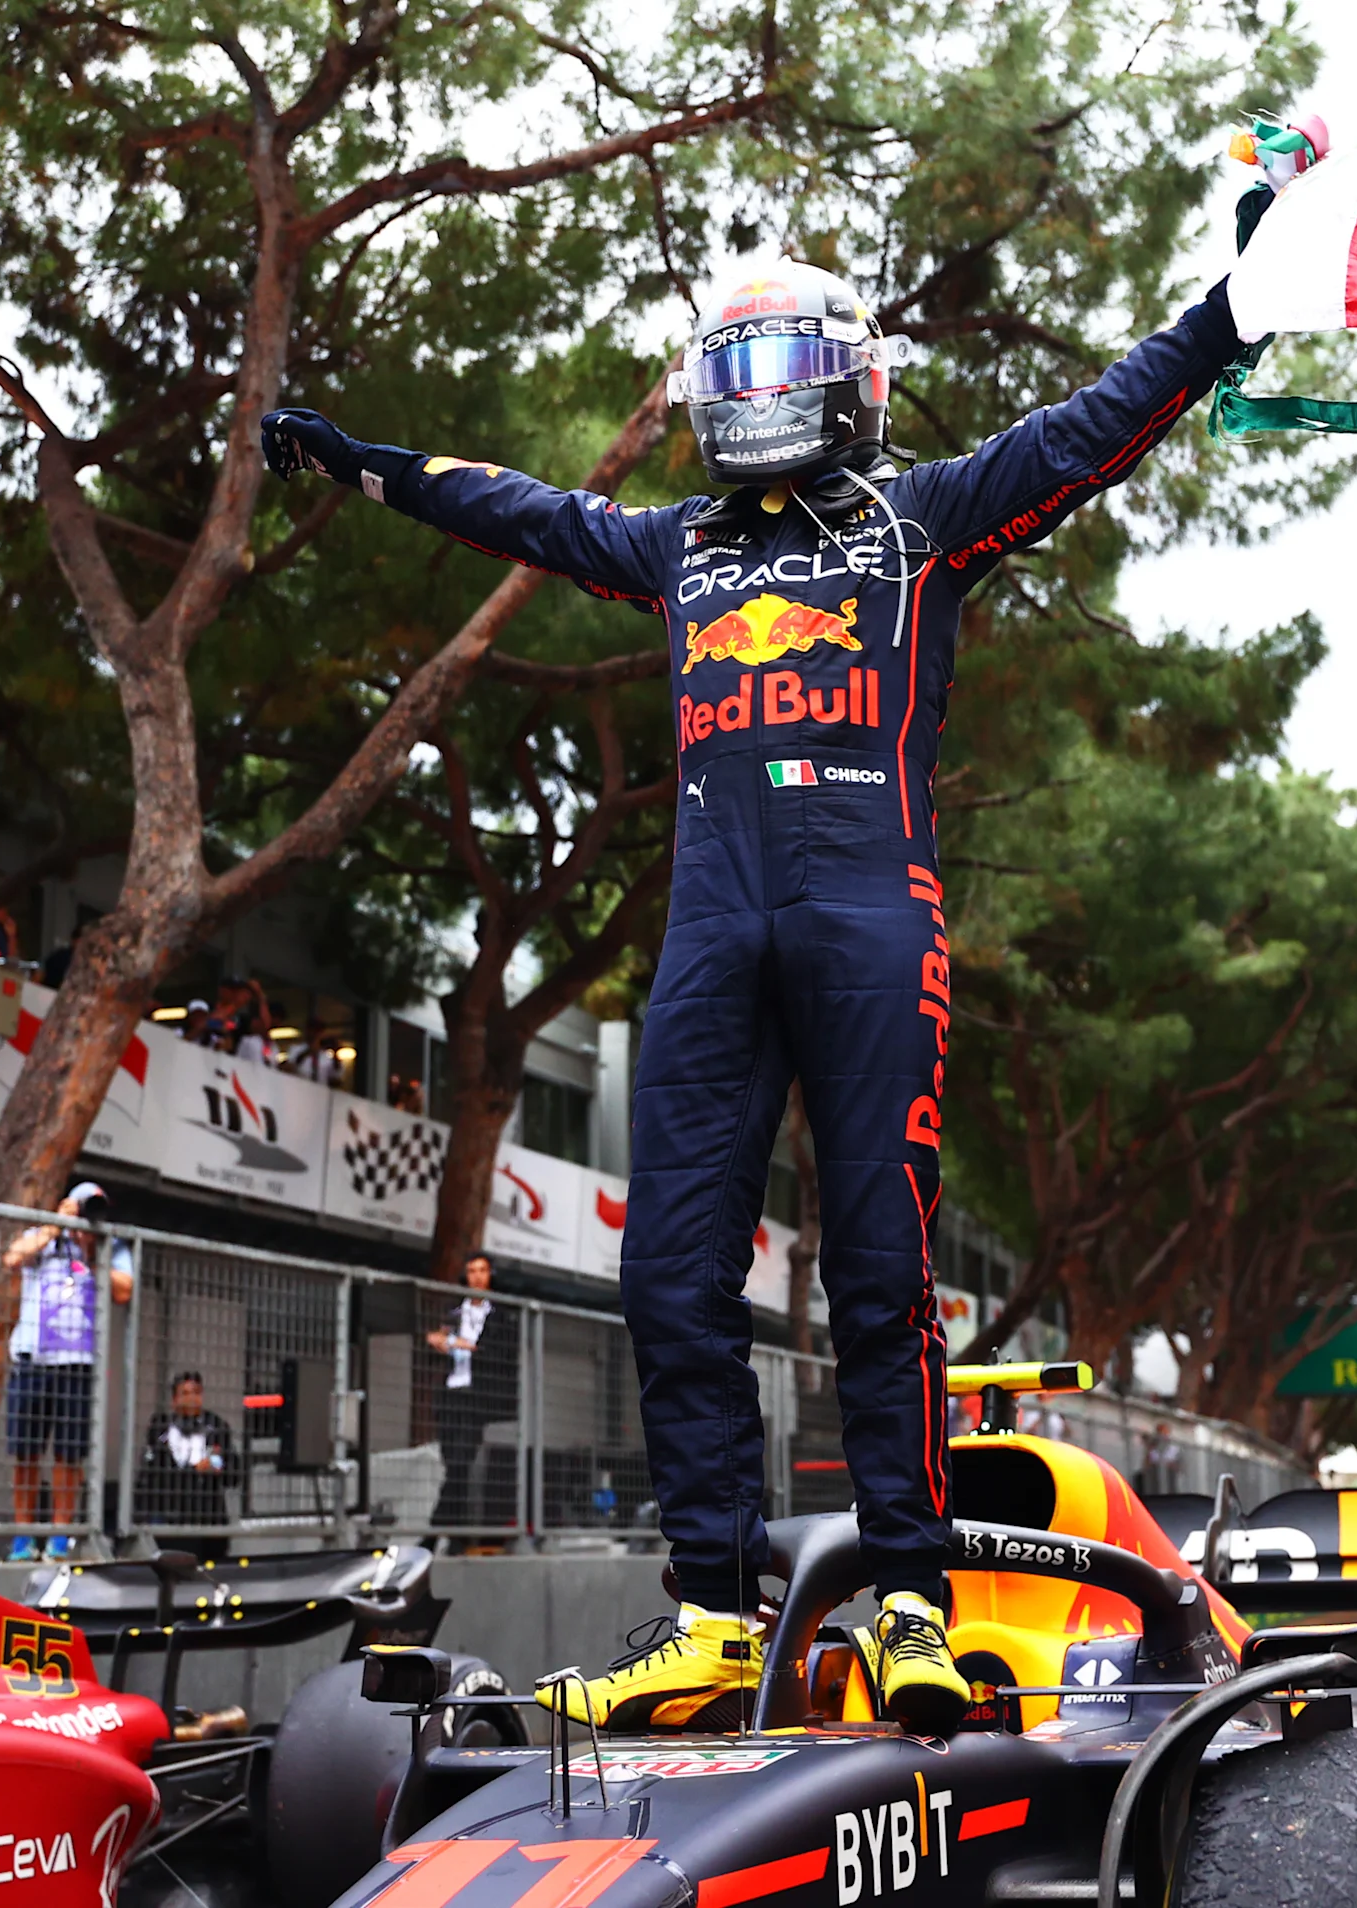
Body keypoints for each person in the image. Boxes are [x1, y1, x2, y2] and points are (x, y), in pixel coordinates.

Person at [264, 244, 1271, 1733]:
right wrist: (364, 466)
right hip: (714, 939)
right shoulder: (678, 546)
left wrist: (1223, 320)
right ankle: (715, 1616)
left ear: (852, 379)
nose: (761, 397)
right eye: (732, 371)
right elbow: (524, 508)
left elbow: (1084, 428)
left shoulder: (919, 518)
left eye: (784, 366)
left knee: (880, 1275)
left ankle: (917, 1607)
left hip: (875, 928)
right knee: (670, 1276)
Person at [0, 1181, 135, 1561]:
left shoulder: (110, 1246)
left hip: (77, 1364)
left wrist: (92, 1251)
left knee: (68, 1455)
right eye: (84, 1207)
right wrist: (53, 1227)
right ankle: (23, 1538)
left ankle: (61, 1537)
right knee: (26, 1452)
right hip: (33, 1357)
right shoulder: (43, 1235)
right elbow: (12, 1258)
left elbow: (125, 1290)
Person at [426, 1251, 518, 1538]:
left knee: (461, 1460)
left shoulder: (500, 1315)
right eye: (472, 1271)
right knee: (453, 1462)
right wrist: (438, 1342)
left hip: (475, 1396)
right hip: (451, 1393)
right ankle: (456, 1533)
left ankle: (435, 1530)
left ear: (491, 1276)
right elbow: (436, 1342)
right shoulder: (454, 1311)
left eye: (482, 1270)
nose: (477, 1276)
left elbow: (502, 1355)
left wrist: (466, 1346)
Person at [132, 1370, 237, 1553]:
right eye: (185, 1393)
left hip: (209, 1519)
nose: (192, 1398)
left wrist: (219, 1466)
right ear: (174, 1400)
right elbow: (151, 1476)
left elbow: (235, 1475)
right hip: (171, 1520)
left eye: (196, 1392)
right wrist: (194, 1470)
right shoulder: (160, 1428)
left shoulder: (217, 1426)